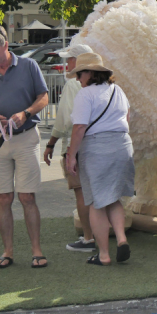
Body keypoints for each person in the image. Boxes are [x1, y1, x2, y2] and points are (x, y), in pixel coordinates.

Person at [0, 26, 50, 269]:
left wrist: (25, 113)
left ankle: (37, 251)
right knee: (3, 198)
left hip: (25, 137)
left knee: (27, 197)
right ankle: (8, 252)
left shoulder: (28, 66)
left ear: (6, 45)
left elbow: (44, 97)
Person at [65, 53, 134, 266]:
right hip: (122, 145)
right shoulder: (118, 90)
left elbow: (79, 128)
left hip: (97, 147)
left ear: (90, 73)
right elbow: (127, 117)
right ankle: (121, 239)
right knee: (113, 198)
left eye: (80, 74)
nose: (78, 79)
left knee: (96, 202)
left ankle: (103, 254)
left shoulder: (85, 95)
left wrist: (71, 156)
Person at [43, 42, 96, 253]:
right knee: (99, 193)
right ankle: (112, 236)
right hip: (100, 145)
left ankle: (89, 238)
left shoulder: (74, 83)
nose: (67, 63)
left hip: (77, 144)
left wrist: (51, 144)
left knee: (81, 193)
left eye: (70, 59)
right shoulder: (107, 84)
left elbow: (65, 121)